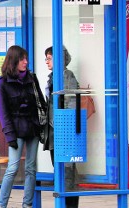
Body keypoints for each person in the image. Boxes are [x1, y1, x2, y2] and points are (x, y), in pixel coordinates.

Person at [0, 45, 45, 208]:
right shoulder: (3, 82)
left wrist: (42, 126)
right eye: (22, 59)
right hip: (16, 130)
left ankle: (27, 205)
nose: (26, 62)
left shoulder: (32, 78)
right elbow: (3, 113)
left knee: (31, 168)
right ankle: (1, 205)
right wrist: (10, 136)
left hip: (33, 128)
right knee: (13, 167)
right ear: (14, 61)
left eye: (26, 59)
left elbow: (41, 103)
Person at [44, 46, 80, 208]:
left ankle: (70, 205)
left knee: (67, 171)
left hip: (64, 130)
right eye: (46, 58)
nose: (46, 61)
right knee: (59, 169)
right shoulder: (53, 77)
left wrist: (66, 128)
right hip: (54, 130)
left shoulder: (67, 76)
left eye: (49, 58)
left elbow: (71, 103)